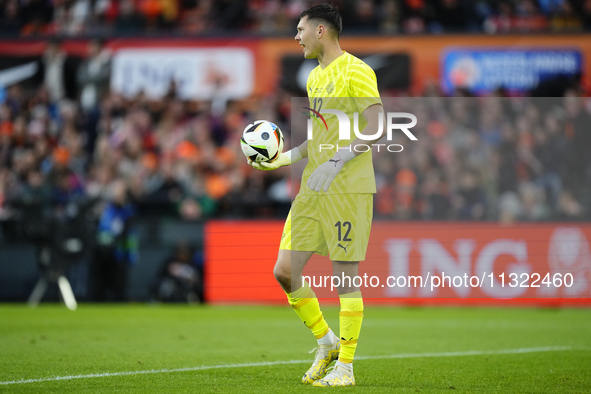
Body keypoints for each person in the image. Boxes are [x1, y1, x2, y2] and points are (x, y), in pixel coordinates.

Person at [248, 3, 384, 387]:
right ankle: (326, 343)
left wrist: (338, 160)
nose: (296, 36)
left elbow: (377, 126)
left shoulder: (357, 71)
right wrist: (281, 160)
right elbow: (317, 138)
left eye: (300, 29)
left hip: (348, 188)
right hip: (313, 187)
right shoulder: (314, 78)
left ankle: (347, 369)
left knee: (345, 278)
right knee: (284, 271)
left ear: (321, 31)